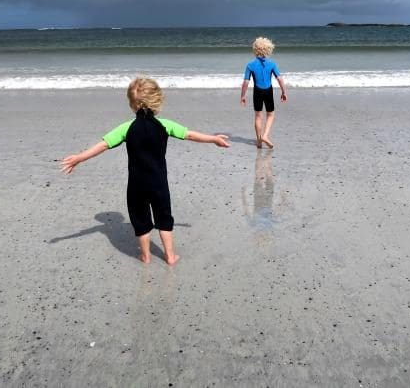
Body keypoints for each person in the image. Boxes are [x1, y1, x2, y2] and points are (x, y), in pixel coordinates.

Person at [61, 77, 230, 265]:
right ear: (157, 100)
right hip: (159, 183)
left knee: (140, 220)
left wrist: (79, 158)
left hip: (136, 185)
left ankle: (146, 256)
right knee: (164, 217)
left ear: (132, 104)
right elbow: (189, 134)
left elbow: (103, 145)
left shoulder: (126, 128)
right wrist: (213, 139)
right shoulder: (164, 125)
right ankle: (170, 256)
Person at [240, 37, 287, 148]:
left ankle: (259, 141)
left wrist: (242, 95)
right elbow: (279, 78)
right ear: (268, 49)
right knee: (270, 114)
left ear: (255, 49)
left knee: (258, 115)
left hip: (257, 91)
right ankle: (265, 135)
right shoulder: (272, 64)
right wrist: (284, 91)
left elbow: (246, 82)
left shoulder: (250, 65)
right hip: (268, 91)